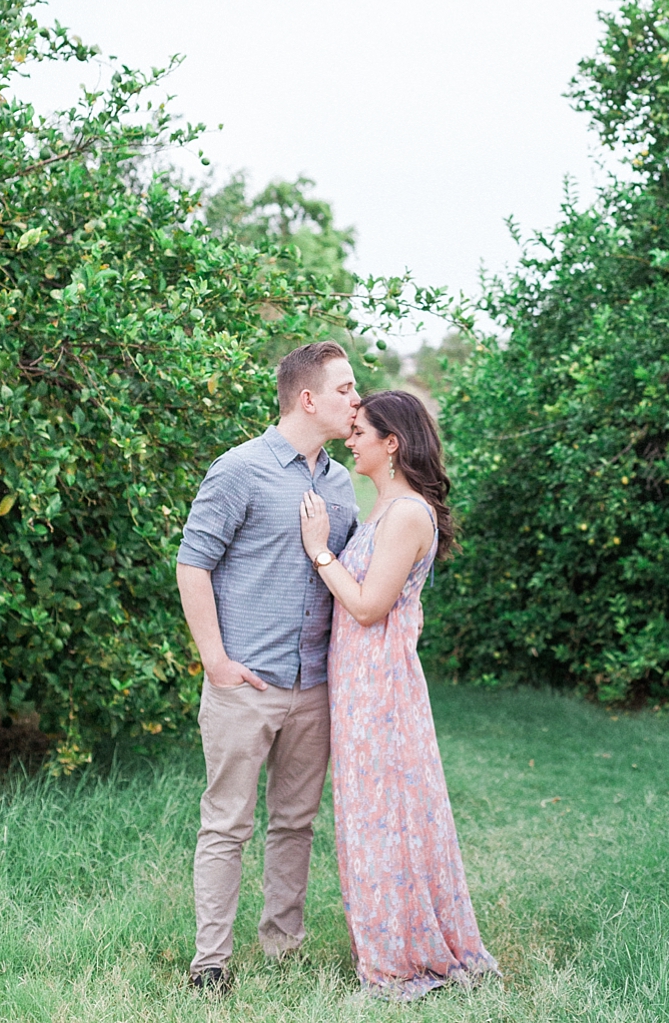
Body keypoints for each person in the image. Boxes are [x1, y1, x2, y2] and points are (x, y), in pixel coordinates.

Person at [299, 389, 499, 1001]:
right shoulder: (385, 510)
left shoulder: (409, 513)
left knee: (387, 823)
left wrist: (320, 551)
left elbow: (366, 607)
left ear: (393, 442)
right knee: (373, 821)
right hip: (361, 688)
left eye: (360, 430)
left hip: (382, 691)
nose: (349, 438)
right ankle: (390, 944)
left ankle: (401, 958)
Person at [176, 340, 360, 993]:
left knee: (295, 822)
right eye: (343, 389)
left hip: (313, 685)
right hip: (244, 684)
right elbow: (192, 562)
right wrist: (216, 661)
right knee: (227, 820)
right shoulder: (239, 470)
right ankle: (210, 962)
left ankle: (283, 947)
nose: (354, 400)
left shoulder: (342, 483)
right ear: (306, 398)